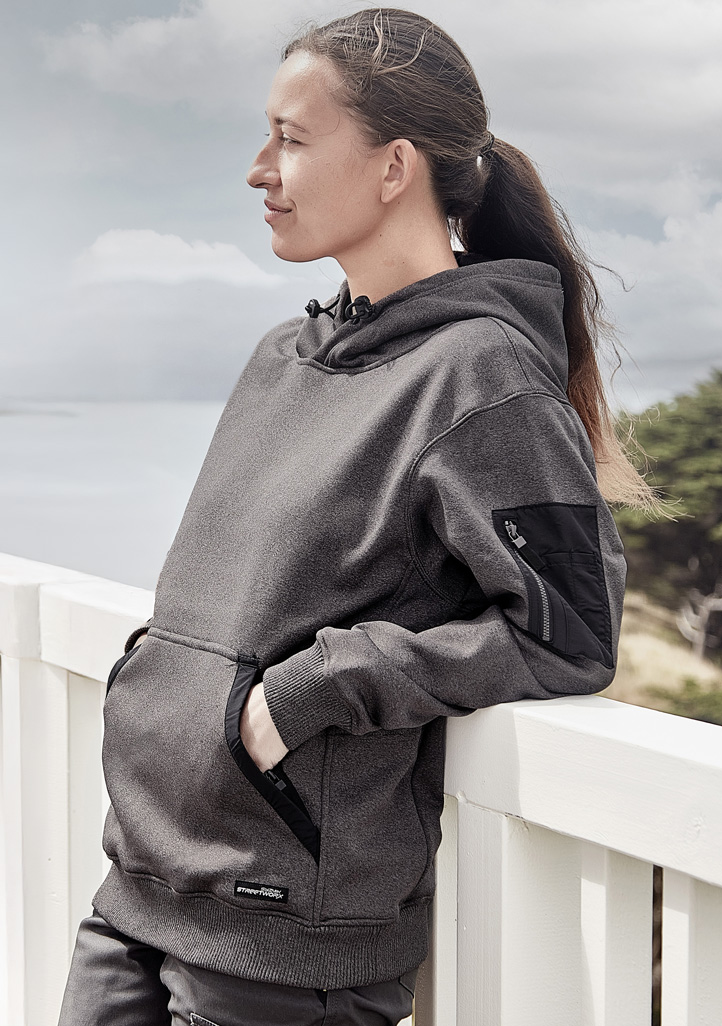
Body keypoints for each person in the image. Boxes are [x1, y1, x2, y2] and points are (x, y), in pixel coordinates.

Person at [58, 7, 653, 1025]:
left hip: (287, 945)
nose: (259, 170)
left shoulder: (481, 377)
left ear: (393, 168)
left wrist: (317, 688)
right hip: (141, 886)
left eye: (290, 139)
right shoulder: (279, 359)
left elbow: (568, 632)